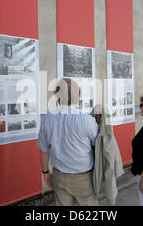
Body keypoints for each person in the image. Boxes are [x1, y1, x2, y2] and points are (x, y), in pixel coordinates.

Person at [37, 78, 99, 206]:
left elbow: (44, 150)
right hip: (83, 179)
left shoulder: (46, 119)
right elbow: (97, 145)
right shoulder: (87, 121)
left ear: (57, 95)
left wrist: (45, 173)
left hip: (58, 176)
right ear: (78, 95)